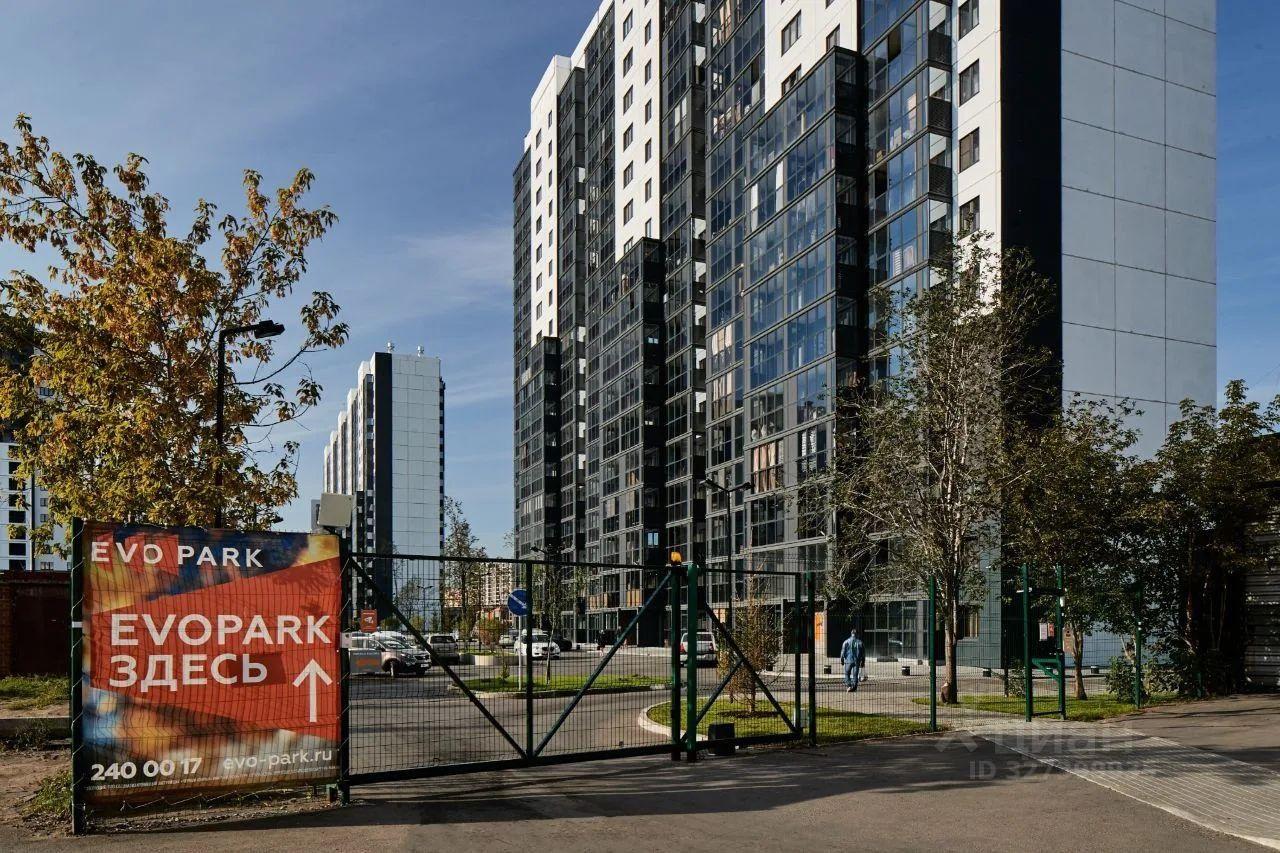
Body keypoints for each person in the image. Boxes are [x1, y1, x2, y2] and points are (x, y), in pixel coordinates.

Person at [840, 629, 865, 693]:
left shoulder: (846, 642)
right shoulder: (860, 642)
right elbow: (863, 654)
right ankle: (854, 687)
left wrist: (842, 660)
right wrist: (863, 662)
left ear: (851, 634)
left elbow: (842, 652)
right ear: (857, 634)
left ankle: (849, 686)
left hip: (848, 661)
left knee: (847, 674)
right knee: (855, 675)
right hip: (857, 661)